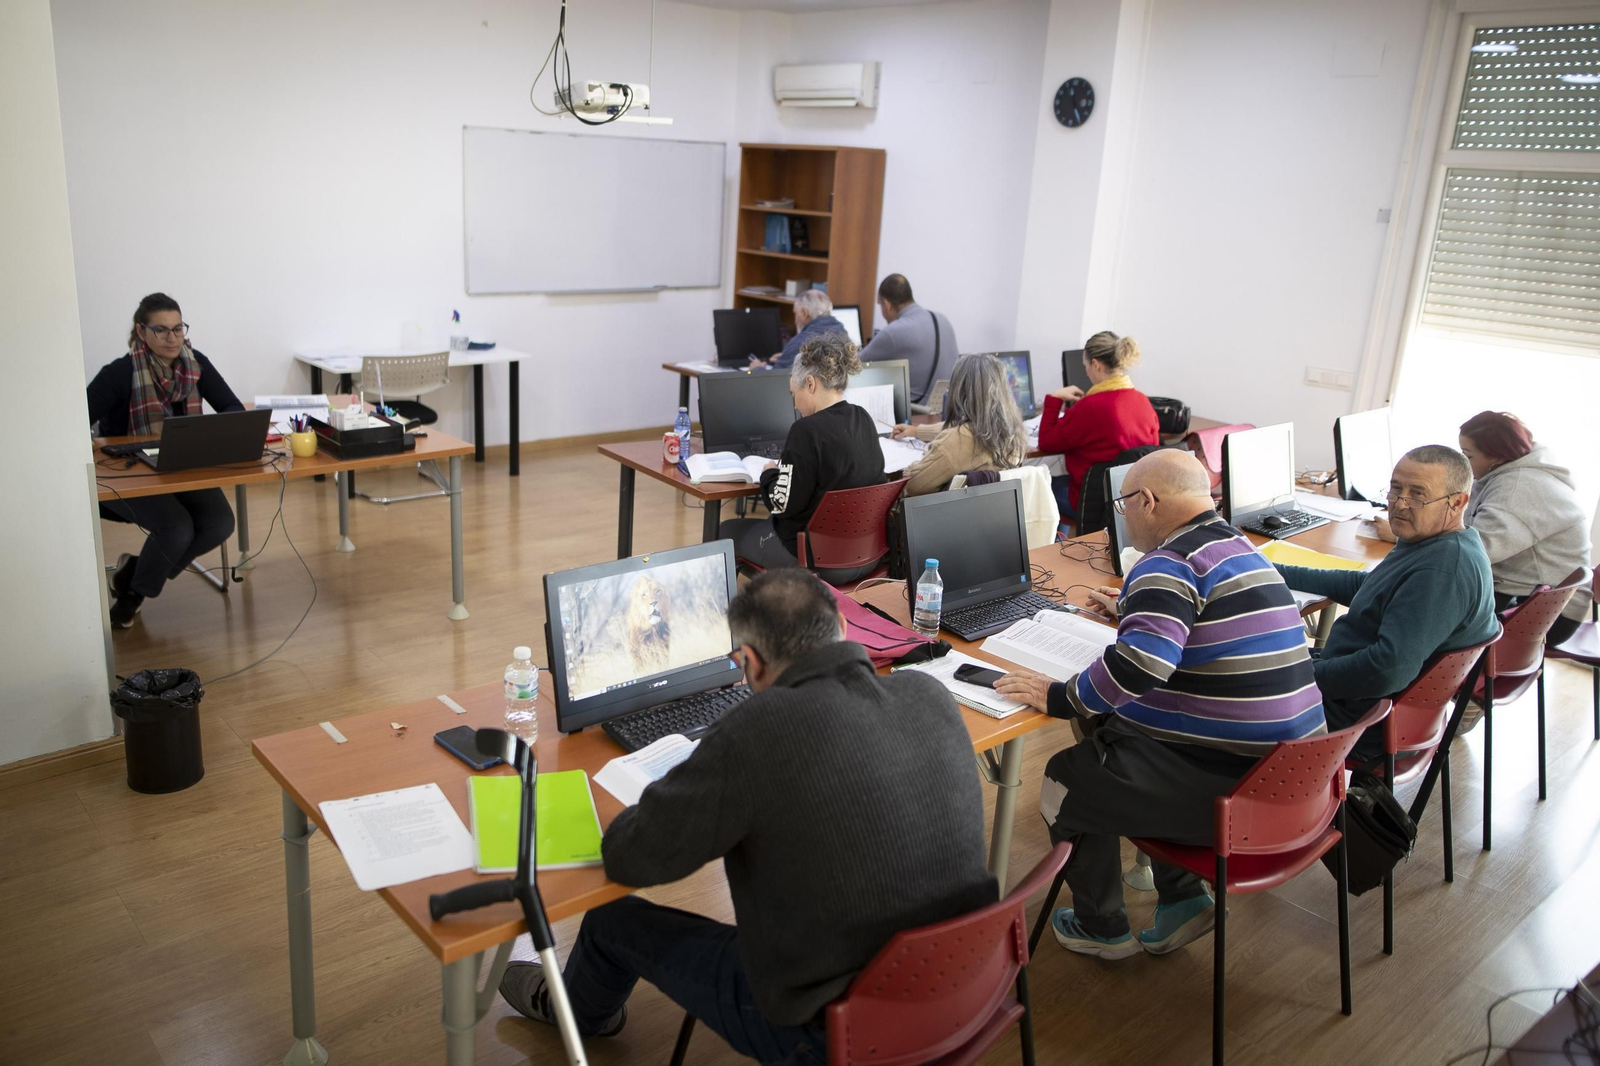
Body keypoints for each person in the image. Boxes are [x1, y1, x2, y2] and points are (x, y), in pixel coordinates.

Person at [497, 568, 998, 1063]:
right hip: (967, 987)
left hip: (840, 1033)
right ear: (842, 630)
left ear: (751, 662)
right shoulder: (929, 693)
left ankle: (577, 1017)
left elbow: (629, 859)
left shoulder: (755, 729)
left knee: (612, 921)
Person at [993, 450, 1324, 959]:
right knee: (1117, 736)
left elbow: (1141, 668)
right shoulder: (1238, 547)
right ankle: (1183, 899)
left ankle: (1100, 926)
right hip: (1297, 781)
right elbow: (1200, 619)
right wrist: (1131, 605)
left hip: (1236, 791)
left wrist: (1058, 696)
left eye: (1125, 506)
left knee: (1067, 775)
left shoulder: (1166, 564)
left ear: (1147, 500)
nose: (1123, 518)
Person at [1275, 445, 1498, 760]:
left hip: (1364, 720)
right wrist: (1270, 570)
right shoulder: (1433, 542)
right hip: (1363, 700)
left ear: (1458, 502)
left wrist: (1304, 675)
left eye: (1417, 494)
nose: (1400, 504)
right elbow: (1365, 586)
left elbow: (1386, 670)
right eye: (1395, 489)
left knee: (1222, 684)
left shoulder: (1441, 570)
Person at [87, 293, 242, 628]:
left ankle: (133, 573)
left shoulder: (195, 363)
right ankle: (132, 597)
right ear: (142, 332)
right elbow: (75, 421)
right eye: (162, 330)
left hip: (182, 468)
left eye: (178, 328)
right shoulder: (119, 373)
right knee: (177, 527)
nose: (173, 338)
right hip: (132, 475)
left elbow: (232, 408)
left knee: (220, 523)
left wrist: (209, 433)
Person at [1374, 412, 1590, 645]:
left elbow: (1476, 551)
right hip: (1528, 595)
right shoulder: (1509, 472)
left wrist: (1403, 535)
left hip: (1542, 615)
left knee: (1413, 597)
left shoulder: (1519, 488)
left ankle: (1378, 665)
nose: (1463, 463)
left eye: (1468, 455)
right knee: (1406, 592)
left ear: (1496, 455)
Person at [718, 334, 885, 573]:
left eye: (793, 394)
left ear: (810, 383)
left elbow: (781, 504)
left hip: (817, 561)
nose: (794, 404)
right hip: (866, 557)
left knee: (725, 531)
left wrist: (769, 474)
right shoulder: (863, 418)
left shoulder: (806, 431)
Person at [1036, 331, 1162, 521]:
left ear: (1096, 365)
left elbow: (1046, 442)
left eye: (1086, 366)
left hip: (1091, 502)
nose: (1086, 371)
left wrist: (1055, 399)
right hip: (1131, 501)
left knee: (1037, 488)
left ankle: (1057, 545)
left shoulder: (1091, 406)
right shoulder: (1143, 401)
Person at [892, 352, 1028, 496]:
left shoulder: (957, 441)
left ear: (959, 391)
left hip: (953, 515)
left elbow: (912, 485)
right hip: (996, 512)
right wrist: (916, 431)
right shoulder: (1014, 431)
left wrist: (917, 463)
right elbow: (962, 430)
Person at [857, 273, 957, 405]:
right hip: (945, 409)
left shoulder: (893, 332)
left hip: (915, 412)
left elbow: (854, 364)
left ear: (887, 305)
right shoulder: (943, 319)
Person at [752, 290, 847, 370]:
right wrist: (787, 357)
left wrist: (756, 369)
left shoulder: (800, 344)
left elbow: (773, 383)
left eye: (795, 313)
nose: (795, 320)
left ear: (804, 313)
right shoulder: (844, 335)